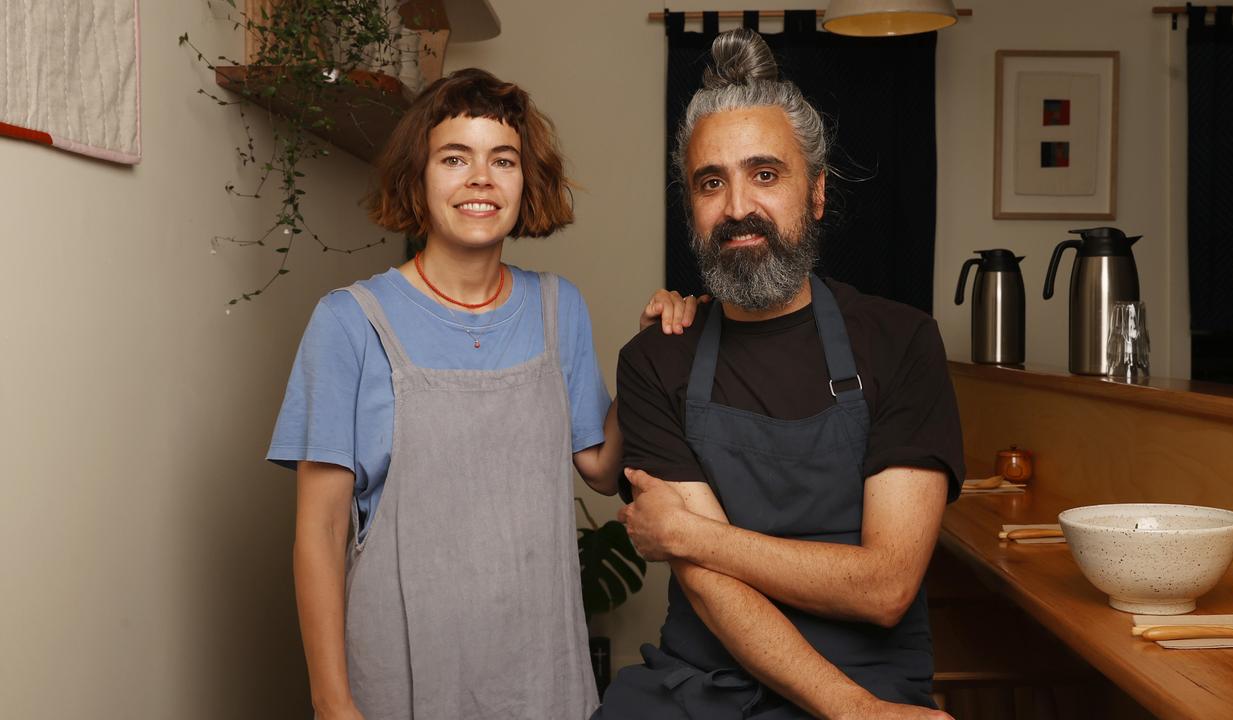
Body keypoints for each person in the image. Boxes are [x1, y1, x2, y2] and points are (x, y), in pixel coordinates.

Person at [267, 68, 698, 720]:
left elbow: (604, 471)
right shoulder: (350, 322)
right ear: (419, 177)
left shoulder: (559, 309)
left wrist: (650, 356)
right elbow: (320, 530)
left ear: (528, 183)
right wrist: (332, 703)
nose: (480, 179)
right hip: (400, 679)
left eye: (503, 159)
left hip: (541, 677)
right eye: (454, 158)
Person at [595, 29, 964, 720]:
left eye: (765, 174)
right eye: (712, 183)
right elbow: (709, 587)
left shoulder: (901, 342)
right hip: (700, 683)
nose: (738, 208)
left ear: (816, 193)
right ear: (691, 210)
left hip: (873, 679)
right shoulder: (656, 360)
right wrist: (847, 710)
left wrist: (691, 535)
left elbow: (885, 586)